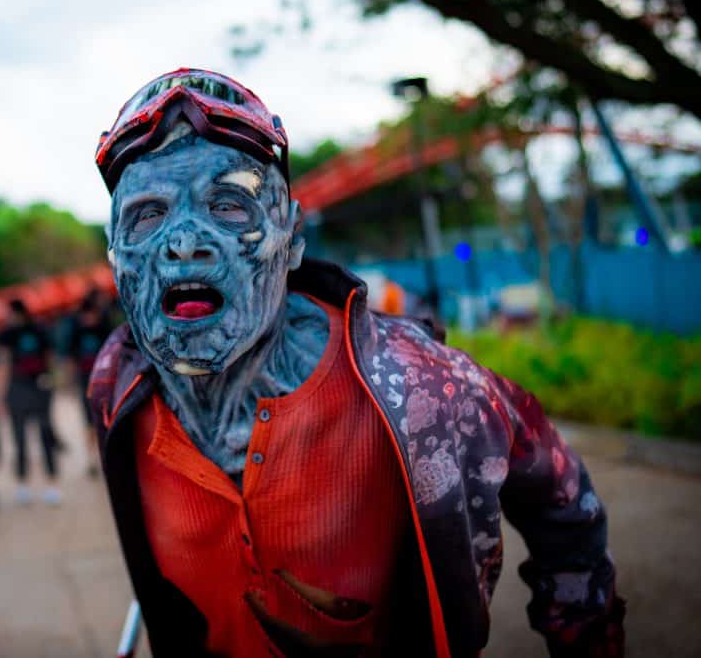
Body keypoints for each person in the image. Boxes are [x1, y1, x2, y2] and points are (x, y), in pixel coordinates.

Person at [87, 69, 624, 657]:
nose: (184, 241)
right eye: (147, 214)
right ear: (116, 254)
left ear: (291, 238)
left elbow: (563, 499)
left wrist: (583, 635)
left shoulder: (423, 389)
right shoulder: (117, 387)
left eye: (229, 205)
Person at [0, 298, 61, 505]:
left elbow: (3, 366)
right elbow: (50, 360)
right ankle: (40, 484)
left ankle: (34, 485)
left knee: (28, 437)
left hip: (25, 390)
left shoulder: (13, 333)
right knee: (34, 436)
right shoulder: (34, 331)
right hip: (32, 388)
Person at [66, 289, 113, 477]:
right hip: (86, 382)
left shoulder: (104, 329)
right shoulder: (76, 332)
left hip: (106, 382)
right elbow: (70, 359)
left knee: (106, 420)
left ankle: (107, 457)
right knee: (88, 423)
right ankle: (92, 458)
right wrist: (70, 382)